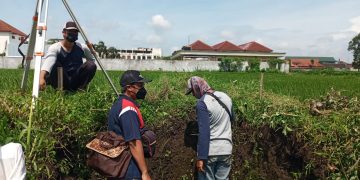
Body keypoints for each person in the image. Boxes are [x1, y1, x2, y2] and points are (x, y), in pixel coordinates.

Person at [185, 76, 233, 180]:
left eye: (192, 91)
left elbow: (204, 132)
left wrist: (201, 157)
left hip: (211, 152)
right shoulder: (225, 97)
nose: (193, 95)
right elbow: (232, 119)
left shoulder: (202, 103)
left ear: (197, 88)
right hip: (226, 149)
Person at [107, 70, 152, 180]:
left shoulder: (119, 104)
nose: (143, 88)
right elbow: (133, 142)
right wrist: (144, 172)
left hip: (118, 166)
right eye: (140, 85)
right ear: (129, 88)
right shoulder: (128, 109)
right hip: (128, 168)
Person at [39, 21, 97, 91]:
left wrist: (92, 50)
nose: (73, 33)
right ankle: (60, 90)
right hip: (62, 79)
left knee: (91, 65)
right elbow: (48, 62)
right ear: (64, 33)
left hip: (76, 79)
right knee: (54, 64)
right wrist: (41, 78)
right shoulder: (55, 47)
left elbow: (92, 59)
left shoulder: (82, 47)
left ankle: (80, 89)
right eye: (70, 31)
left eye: (75, 32)